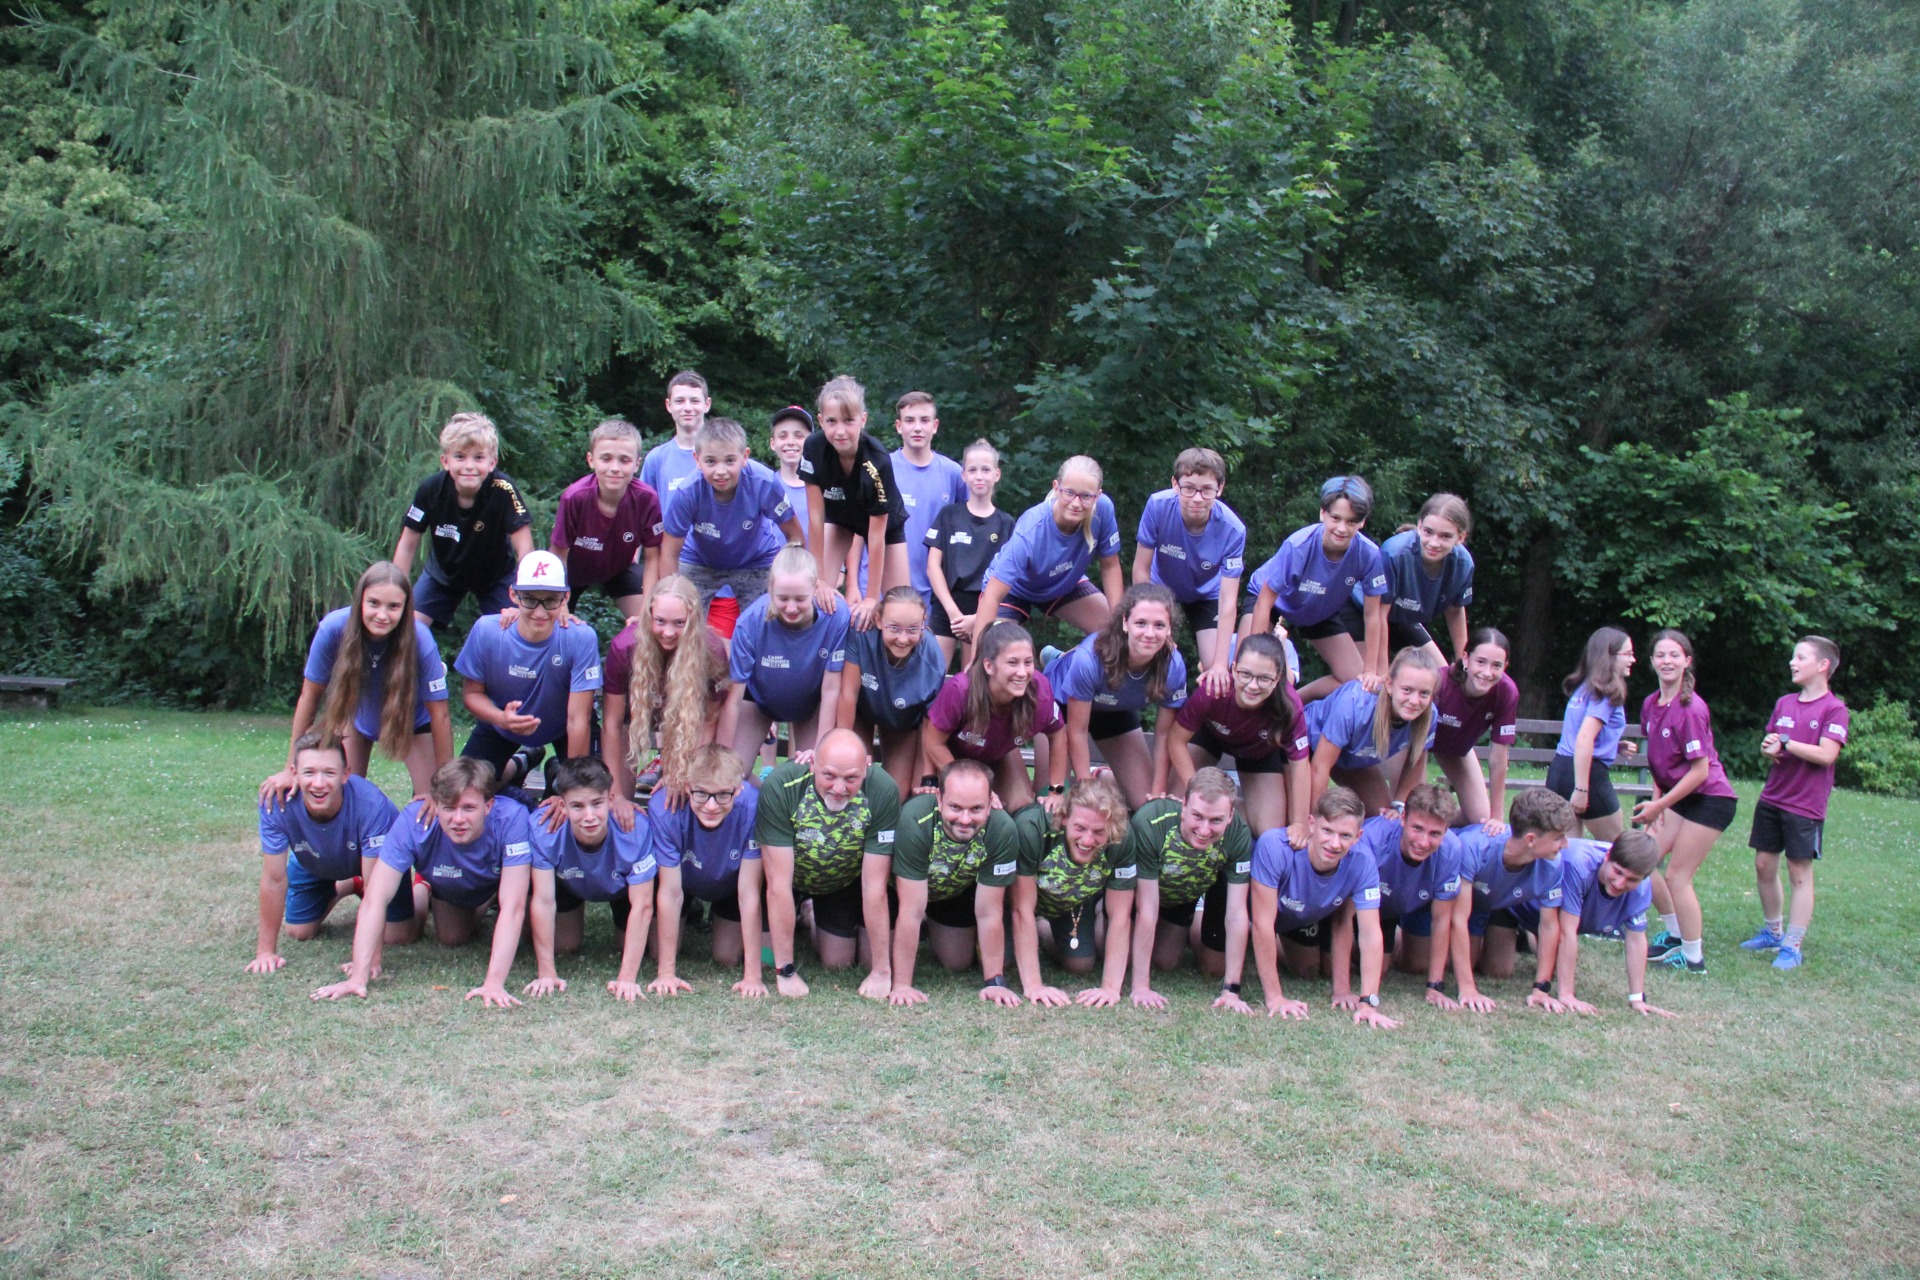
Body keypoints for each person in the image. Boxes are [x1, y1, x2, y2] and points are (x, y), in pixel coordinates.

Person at [312, 758, 534, 1007]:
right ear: (435, 805)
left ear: (488, 806)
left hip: (506, 875)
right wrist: (358, 977)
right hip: (453, 878)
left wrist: (493, 983)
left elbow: (513, 907)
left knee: (537, 932)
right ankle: (435, 887)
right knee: (452, 936)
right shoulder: (414, 820)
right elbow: (375, 898)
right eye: (449, 808)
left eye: (469, 808)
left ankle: (520, 763)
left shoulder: (512, 818)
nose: (458, 819)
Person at [261, 561, 452, 805]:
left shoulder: (421, 640)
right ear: (360, 600)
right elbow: (309, 696)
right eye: (374, 603)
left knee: (433, 805)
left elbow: (440, 715)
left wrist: (445, 786)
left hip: (413, 722)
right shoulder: (333, 629)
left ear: (406, 607)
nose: (382, 615)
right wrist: (291, 768)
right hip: (356, 719)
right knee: (339, 797)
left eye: (393, 606)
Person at [247, 731, 423, 975]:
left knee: (399, 935)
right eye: (309, 772)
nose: (319, 783)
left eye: (329, 773)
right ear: (294, 773)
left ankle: (419, 886)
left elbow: (375, 888)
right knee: (299, 931)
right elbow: (273, 879)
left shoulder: (372, 806)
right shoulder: (276, 800)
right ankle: (349, 884)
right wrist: (265, 952)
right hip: (315, 860)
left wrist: (370, 961)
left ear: (345, 774)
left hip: (375, 866)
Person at [755, 729, 902, 995]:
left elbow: (874, 885)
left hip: (839, 882)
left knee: (838, 963)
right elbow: (777, 885)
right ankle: (789, 928)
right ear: (813, 764)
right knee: (764, 958)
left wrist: (881, 971)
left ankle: (810, 915)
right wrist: (785, 971)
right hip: (788, 880)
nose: (839, 788)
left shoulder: (883, 791)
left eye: (851, 778)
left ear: (867, 767)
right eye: (829, 775)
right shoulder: (782, 786)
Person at [870, 759, 1021, 1005]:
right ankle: (810, 914)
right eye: (955, 807)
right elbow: (910, 911)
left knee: (957, 961)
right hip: (900, 892)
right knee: (859, 957)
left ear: (990, 803)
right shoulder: (916, 819)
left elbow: (989, 912)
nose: (965, 819)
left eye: (976, 809)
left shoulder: (1003, 829)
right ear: (939, 800)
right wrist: (902, 986)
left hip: (950, 892)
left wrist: (994, 982)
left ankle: (930, 928)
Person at [1243, 787, 1397, 1027]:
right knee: (1212, 964)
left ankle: (1271, 948)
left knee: (1307, 968)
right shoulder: (1275, 846)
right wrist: (1275, 997)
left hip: (1299, 916)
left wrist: (1367, 1002)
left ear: (1358, 836)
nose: (1334, 843)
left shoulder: (1363, 862)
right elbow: (1263, 924)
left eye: (1345, 835)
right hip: (1251, 914)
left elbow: (1370, 933)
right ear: (1312, 824)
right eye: (1327, 831)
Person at [1739, 636, 1849, 971]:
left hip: (1806, 805)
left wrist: (1786, 742)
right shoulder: (1784, 703)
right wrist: (1769, 747)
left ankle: (1792, 945)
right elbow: (1773, 744)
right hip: (1773, 796)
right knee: (1763, 865)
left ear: (1823, 665)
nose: (1793, 662)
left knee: (1799, 872)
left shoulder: (1834, 709)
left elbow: (1827, 754)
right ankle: (1773, 932)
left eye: (1800, 657)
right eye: (1793, 657)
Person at [1633, 628, 1739, 974]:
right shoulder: (1650, 704)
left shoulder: (1691, 708)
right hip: (1677, 797)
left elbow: (1699, 772)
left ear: (1687, 662)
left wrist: (1660, 806)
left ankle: (1694, 959)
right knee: (1642, 861)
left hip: (1710, 798)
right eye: (1660, 655)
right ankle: (1675, 935)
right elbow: (1659, 762)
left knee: (1678, 876)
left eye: (1674, 655)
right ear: (1651, 661)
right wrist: (1655, 802)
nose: (1667, 661)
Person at [453, 551, 601, 788]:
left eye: (550, 601)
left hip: (565, 727)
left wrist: (572, 789)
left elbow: (578, 719)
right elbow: (472, 694)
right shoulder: (487, 631)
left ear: (565, 598)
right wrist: (501, 718)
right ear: (514, 594)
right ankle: (520, 764)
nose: (540, 613)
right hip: (501, 724)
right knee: (463, 789)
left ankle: (557, 775)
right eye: (530, 600)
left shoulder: (581, 637)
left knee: (588, 791)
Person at [523, 756, 658, 1002]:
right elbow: (543, 900)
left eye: (597, 804)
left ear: (611, 799)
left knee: (649, 948)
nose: (589, 816)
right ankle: (554, 770)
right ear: (562, 806)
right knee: (564, 945)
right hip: (570, 881)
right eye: (577, 806)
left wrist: (627, 979)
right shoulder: (544, 828)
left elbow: (643, 905)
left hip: (621, 887)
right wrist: (546, 973)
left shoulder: (635, 829)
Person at [658, 415, 809, 635]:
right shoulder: (688, 492)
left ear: (744, 456)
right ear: (697, 459)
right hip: (699, 561)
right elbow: (669, 553)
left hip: (757, 560)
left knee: (768, 626)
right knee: (681, 625)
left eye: (730, 461)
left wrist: (791, 579)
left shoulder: (764, 482)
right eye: (711, 462)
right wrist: (669, 600)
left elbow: (795, 538)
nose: (721, 471)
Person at [1245, 474, 1390, 701]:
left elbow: (1373, 616)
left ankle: (1295, 703)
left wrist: (1371, 670)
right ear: (1323, 513)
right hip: (1272, 602)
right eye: (1336, 518)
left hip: (1319, 609)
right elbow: (1264, 602)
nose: (1342, 528)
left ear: (1362, 522)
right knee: (1247, 671)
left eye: (1351, 521)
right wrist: (1255, 658)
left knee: (1356, 682)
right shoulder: (1298, 545)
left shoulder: (1369, 554)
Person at [1122, 768, 1254, 1009]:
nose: (1204, 830)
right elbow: (1146, 908)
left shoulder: (1239, 835)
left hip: (1184, 896)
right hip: (1141, 894)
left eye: (1216, 820)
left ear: (1231, 816)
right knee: (1119, 954)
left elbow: (1236, 913)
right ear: (1183, 806)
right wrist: (1141, 987)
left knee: (1167, 961)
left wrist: (1231, 990)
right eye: (1198, 816)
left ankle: (1197, 915)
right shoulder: (1152, 822)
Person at [1048, 582, 1188, 809]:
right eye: (1141, 623)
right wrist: (1086, 787)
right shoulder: (1090, 658)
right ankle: (1056, 659)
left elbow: (1164, 735)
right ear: (1125, 622)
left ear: (1169, 628)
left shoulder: (1173, 666)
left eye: (1159, 625)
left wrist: (1157, 792)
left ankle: (1102, 776)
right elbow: (1077, 731)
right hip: (1062, 705)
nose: (1149, 634)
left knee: (1144, 804)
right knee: (1056, 798)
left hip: (1115, 708)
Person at [1161, 633, 1310, 839]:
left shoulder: (1290, 706)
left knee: (1269, 831)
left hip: (1259, 752)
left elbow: (1301, 764)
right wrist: (1193, 790)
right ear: (1233, 669)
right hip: (1210, 736)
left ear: (1277, 679)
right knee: (1178, 806)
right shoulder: (1213, 690)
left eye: (1264, 678)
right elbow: (1176, 740)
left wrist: (1300, 822)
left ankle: (1226, 810)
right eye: (1245, 674)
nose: (1252, 685)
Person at [603, 575, 730, 815]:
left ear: (692, 620)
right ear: (648, 614)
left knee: (675, 798)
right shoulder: (624, 648)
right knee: (617, 809)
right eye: (660, 621)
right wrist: (615, 794)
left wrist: (682, 773)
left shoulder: (711, 651)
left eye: (679, 623)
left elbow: (710, 720)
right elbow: (612, 723)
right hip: (633, 719)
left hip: (688, 724)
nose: (668, 632)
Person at [393, 412, 534, 628]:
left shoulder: (503, 489)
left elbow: (525, 549)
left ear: (492, 462)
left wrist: (522, 596)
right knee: (408, 628)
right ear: (445, 461)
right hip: (443, 573)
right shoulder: (430, 489)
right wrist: (396, 593)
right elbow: (407, 544)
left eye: (478, 458)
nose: (469, 465)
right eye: (460, 457)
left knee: (513, 629)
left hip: (496, 576)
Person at [646, 745, 766, 997]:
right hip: (683, 880)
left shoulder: (753, 807)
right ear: (687, 786)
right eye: (701, 793)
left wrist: (752, 977)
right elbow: (670, 893)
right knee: (657, 952)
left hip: (731, 883)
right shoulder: (665, 807)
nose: (711, 806)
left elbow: (749, 894)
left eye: (723, 795)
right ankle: (691, 911)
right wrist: (666, 973)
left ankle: (797, 914)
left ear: (738, 789)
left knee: (728, 957)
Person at [1007, 776, 1136, 1005]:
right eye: (1080, 828)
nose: (1088, 839)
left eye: (1099, 831)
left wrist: (1110, 988)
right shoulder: (1031, 828)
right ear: (1064, 817)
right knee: (1001, 960)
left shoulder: (1122, 837)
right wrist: (1034, 985)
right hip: (1017, 902)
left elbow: (1121, 916)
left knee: (1080, 964)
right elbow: (1021, 909)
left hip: (1070, 900)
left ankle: (1044, 929)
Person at [1517, 831, 1673, 1016]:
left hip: (1546, 921)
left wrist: (1637, 999)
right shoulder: (1579, 865)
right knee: (1498, 970)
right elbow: (1567, 932)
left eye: (1632, 880)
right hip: (1517, 903)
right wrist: (1566, 994)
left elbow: (1636, 939)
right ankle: (1523, 932)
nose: (1620, 883)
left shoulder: (1641, 889)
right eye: (1618, 872)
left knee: (1515, 966)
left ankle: (1528, 936)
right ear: (1608, 856)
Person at [720, 546, 851, 768]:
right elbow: (734, 698)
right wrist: (722, 757)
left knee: (810, 771)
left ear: (816, 588)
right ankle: (762, 789)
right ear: (770, 589)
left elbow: (831, 689)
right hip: (757, 700)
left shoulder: (836, 616)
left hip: (812, 703)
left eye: (800, 599)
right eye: (782, 598)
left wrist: (820, 751)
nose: (791, 607)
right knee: (733, 772)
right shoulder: (750, 622)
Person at [1341, 783, 1470, 1007]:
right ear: (1402, 818)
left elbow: (1442, 919)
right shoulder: (1372, 840)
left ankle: (1396, 939)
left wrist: (1434, 986)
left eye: (1435, 833)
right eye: (1417, 828)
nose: (1423, 842)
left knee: (1414, 964)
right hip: (1358, 907)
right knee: (1314, 966)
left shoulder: (1452, 849)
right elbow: (1343, 917)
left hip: (1401, 905)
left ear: (1447, 829)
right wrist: (1341, 988)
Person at [922, 622, 1068, 813]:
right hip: (948, 754)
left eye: (1028, 662)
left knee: (1021, 806)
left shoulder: (1039, 691)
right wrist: (971, 785)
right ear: (989, 666)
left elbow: (1058, 734)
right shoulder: (960, 691)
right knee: (948, 803)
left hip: (997, 754)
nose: (1022, 672)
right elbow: (934, 743)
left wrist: (1056, 791)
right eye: (1012, 663)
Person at [1131, 448, 1247, 685]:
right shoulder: (1158, 506)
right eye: (1189, 488)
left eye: (1206, 490)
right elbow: (1141, 569)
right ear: (1175, 484)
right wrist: (1158, 625)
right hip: (1161, 590)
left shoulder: (1233, 529)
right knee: (1150, 652)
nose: (1197, 498)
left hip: (1207, 593)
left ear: (1220, 489)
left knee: (1217, 675)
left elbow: (1228, 600)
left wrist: (1219, 665)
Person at [802, 376, 909, 630]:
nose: (840, 431)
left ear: (863, 419)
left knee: (901, 612)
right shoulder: (813, 448)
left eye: (848, 420)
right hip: (839, 519)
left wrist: (871, 597)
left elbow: (876, 536)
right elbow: (816, 518)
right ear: (820, 421)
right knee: (812, 594)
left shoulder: (877, 460)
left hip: (884, 529)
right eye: (832, 421)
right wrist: (820, 581)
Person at [973, 455, 1124, 635]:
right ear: (1056, 488)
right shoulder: (1031, 529)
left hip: (1063, 583)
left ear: (1097, 496)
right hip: (1013, 590)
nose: (1076, 503)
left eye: (1086, 496)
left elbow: (1110, 566)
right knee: (1001, 647)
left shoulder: (1103, 509)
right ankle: (978, 621)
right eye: (1069, 493)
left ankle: (1059, 656)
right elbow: (992, 595)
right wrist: (980, 647)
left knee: (1116, 635)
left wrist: (1119, 623)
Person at [1449, 789, 1576, 993]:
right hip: (1453, 901)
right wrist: (1467, 988)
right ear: (1530, 840)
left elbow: (1549, 925)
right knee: (1421, 963)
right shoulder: (1475, 847)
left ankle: (1517, 935)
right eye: (1559, 837)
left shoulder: (1552, 865)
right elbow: (1458, 918)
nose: (1566, 844)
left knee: (1499, 970)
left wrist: (1541, 988)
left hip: (1495, 902)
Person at [548, 417, 663, 618]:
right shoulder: (575, 497)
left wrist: (646, 612)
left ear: (637, 464)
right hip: (571, 572)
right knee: (559, 623)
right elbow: (558, 555)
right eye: (606, 458)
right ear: (591, 460)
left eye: (624, 460)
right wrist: (561, 604)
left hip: (619, 570)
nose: (615, 468)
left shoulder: (647, 499)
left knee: (651, 620)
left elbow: (653, 557)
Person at [837, 587, 945, 799]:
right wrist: (843, 747)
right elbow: (848, 693)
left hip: (903, 722)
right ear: (879, 620)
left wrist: (928, 775)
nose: (902, 639)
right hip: (861, 712)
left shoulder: (931, 658)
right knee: (853, 778)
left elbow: (931, 721)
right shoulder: (862, 634)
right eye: (894, 628)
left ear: (923, 623)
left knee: (896, 794)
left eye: (912, 629)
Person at [1303, 647, 1442, 813]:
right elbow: (1320, 767)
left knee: (1382, 816)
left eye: (1424, 693)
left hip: (1351, 758)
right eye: (1407, 690)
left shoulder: (1429, 715)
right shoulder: (1354, 704)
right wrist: (1317, 819)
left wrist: (1399, 805)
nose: (1414, 701)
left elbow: (1416, 760)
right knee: (1300, 818)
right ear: (1389, 685)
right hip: (1308, 747)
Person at [924, 439, 1015, 669]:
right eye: (972, 470)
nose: (979, 476)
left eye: (986, 470)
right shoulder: (949, 515)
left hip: (984, 609)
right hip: (947, 607)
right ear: (963, 475)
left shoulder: (1006, 524)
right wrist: (953, 613)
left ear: (997, 474)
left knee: (973, 677)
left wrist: (977, 619)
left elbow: (1011, 580)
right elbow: (933, 567)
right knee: (932, 675)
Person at [1546, 627, 1639, 840]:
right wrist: (1581, 789)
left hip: (1560, 770)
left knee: (1568, 852)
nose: (1633, 660)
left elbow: (1579, 733)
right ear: (1609, 656)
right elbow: (1584, 738)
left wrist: (1613, 745)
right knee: (1619, 850)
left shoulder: (1584, 688)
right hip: (1586, 774)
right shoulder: (1606, 692)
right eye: (1628, 654)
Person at [1424, 628, 1519, 829]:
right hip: (1414, 745)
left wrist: (1497, 816)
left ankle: (1441, 825)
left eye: (1496, 665)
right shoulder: (1439, 682)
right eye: (1481, 662)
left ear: (1505, 667)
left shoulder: (1507, 692)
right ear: (1466, 659)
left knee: (1480, 818)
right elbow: (1414, 738)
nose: (1487, 673)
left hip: (1455, 749)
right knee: (1415, 809)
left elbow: (1499, 757)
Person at [1369, 494, 1474, 666]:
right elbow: (1378, 614)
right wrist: (1381, 670)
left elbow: (1455, 611)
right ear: (1419, 526)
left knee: (1443, 675)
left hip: (1404, 620)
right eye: (1428, 532)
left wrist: (1463, 663)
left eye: (1445, 536)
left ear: (1460, 537)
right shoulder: (1395, 553)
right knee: (1367, 676)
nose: (1434, 543)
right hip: (1366, 615)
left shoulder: (1463, 563)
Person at [887, 391, 967, 608]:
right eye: (909, 420)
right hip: (886, 590)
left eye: (924, 420)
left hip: (936, 593)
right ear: (898, 426)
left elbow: (972, 525)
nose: (917, 428)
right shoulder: (883, 468)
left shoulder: (954, 474)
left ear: (935, 425)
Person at [640, 370, 712, 503]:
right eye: (680, 401)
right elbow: (643, 508)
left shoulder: (724, 455)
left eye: (694, 401)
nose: (687, 408)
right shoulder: (656, 459)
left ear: (707, 404)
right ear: (669, 405)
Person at [768, 406, 815, 548]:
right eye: (783, 436)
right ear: (772, 443)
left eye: (799, 436)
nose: (790, 442)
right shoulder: (765, 487)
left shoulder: (823, 489)